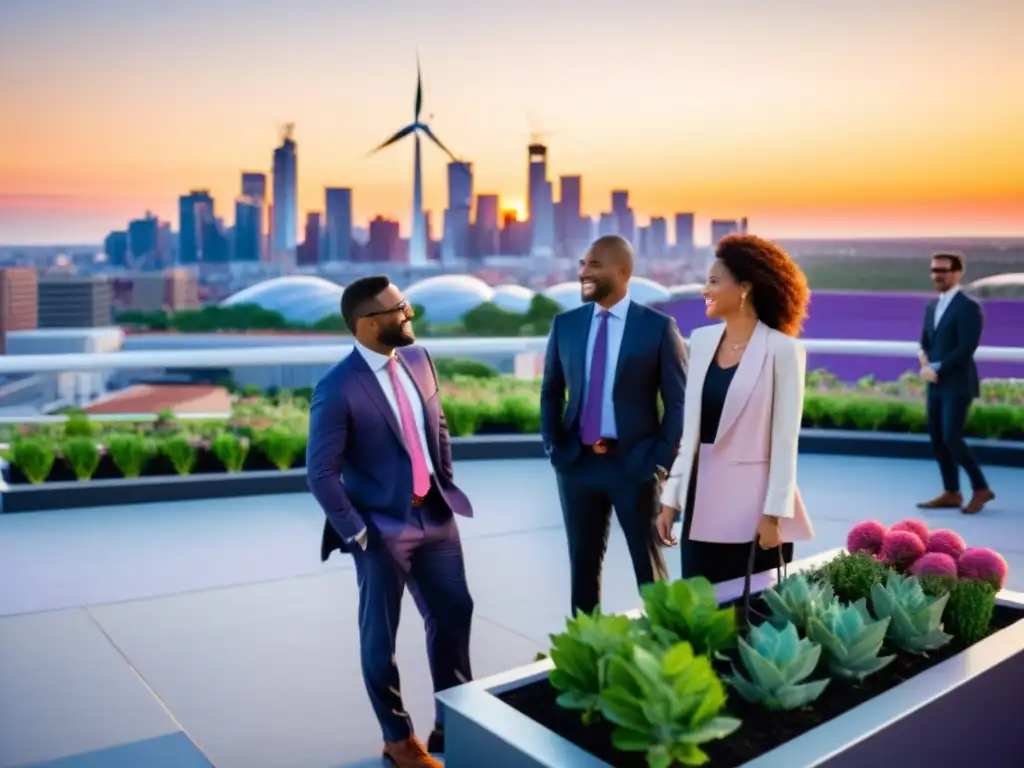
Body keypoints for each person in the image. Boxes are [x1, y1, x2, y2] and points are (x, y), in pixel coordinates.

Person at [306, 275, 473, 768]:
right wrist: (359, 532)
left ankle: (454, 718)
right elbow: (321, 473)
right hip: (380, 531)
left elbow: (436, 424)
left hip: (436, 515)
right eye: (401, 309)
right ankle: (398, 739)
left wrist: (443, 479)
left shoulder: (420, 359)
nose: (409, 315)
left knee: (454, 613)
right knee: (381, 634)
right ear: (369, 323)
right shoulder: (336, 387)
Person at [541, 234, 688, 616]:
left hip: (635, 467)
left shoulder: (656, 327)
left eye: (594, 265)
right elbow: (551, 392)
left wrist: (658, 461)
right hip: (578, 466)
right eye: (582, 264)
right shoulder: (566, 325)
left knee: (650, 574)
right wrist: (555, 449)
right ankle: (587, 657)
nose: (583, 273)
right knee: (583, 571)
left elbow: (679, 403)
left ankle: (664, 652)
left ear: (623, 272)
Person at [656, 234, 814, 584]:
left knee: (753, 614)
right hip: (701, 501)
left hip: (754, 506)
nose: (704, 290)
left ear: (744, 288)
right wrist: (671, 500)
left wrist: (774, 515)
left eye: (713, 281)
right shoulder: (701, 341)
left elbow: (785, 443)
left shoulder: (783, 350)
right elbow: (691, 433)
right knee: (701, 605)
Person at [916, 252, 995, 514]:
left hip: (958, 383)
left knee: (952, 436)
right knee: (938, 438)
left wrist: (937, 367)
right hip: (935, 383)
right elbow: (926, 341)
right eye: (934, 270)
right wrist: (925, 362)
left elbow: (966, 348)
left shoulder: (968, 307)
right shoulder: (931, 306)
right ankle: (951, 492)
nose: (937, 275)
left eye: (944, 270)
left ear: (958, 273)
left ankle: (981, 489)